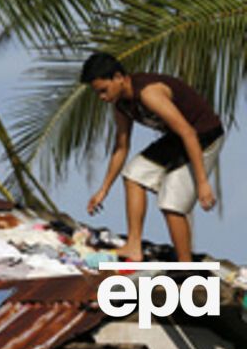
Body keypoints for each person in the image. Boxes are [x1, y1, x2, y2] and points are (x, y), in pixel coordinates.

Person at [81, 53, 224, 262]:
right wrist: (103, 190)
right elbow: (121, 147)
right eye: (98, 93)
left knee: (171, 203)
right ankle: (133, 246)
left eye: (104, 90)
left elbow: (188, 133)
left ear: (119, 77)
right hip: (177, 138)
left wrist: (202, 182)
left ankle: (186, 267)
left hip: (204, 136)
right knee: (133, 174)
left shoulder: (149, 93)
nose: (102, 97)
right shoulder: (120, 104)